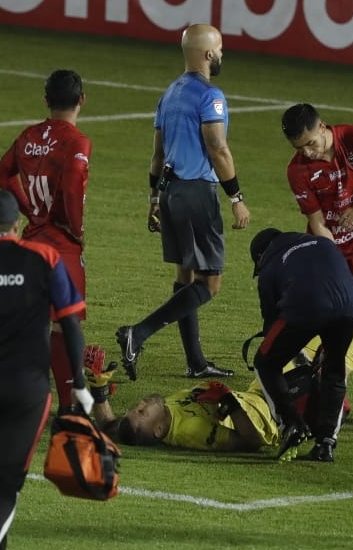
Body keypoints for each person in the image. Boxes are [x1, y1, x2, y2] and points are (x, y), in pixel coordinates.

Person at [90, 266, 353, 455]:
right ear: (158, 430)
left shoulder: (153, 423)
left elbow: (108, 427)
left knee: (318, 331)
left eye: (136, 407)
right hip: (281, 408)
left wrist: (100, 390)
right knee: (347, 351)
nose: (141, 403)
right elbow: (252, 440)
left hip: (265, 389)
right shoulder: (191, 431)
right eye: (143, 411)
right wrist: (228, 404)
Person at [0, 189, 93, 550]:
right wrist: (81, 386)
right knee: (7, 482)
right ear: (17, 224)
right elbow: (70, 325)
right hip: (26, 389)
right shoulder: (45, 258)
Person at [116, 23, 249, 381]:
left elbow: (157, 155)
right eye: (219, 48)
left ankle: (195, 362)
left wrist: (154, 198)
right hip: (196, 194)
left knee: (185, 277)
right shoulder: (211, 96)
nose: (222, 54)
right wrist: (236, 197)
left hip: (171, 192)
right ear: (208, 54)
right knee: (209, 284)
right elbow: (217, 148)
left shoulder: (170, 94)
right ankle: (137, 333)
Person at [281, 103, 353, 429]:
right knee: (327, 328)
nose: (308, 152)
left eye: (311, 143)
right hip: (329, 254)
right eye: (300, 148)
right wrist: (332, 263)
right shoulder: (298, 171)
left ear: (323, 127)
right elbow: (317, 222)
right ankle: (333, 396)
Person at [0, 69, 91, 413]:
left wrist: (28, 208)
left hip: (31, 239)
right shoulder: (77, 142)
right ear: (81, 100)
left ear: (47, 101)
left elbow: (2, 173)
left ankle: (15, 395)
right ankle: (68, 404)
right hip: (61, 245)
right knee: (66, 324)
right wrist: (75, 228)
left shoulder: (28, 135)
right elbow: (71, 185)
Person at [249, 228, 353, 462]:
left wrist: (296, 354)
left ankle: (291, 424)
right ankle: (326, 443)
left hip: (306, 306)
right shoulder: (322, 242)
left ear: (261, 256)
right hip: (350, 304)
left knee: (265, 363)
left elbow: (273, 327)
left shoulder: (269, 265)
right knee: (334, 368)